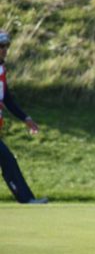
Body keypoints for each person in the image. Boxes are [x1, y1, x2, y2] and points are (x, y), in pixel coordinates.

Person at [0, 30, 48, 204]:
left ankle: (26, 198)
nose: (4, 49)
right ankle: (26, 199)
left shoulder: (1, 70)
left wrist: (25, 118)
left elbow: (7, 99)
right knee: (7, 160)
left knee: (7, 160)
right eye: (1, 46)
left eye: (6, 46)